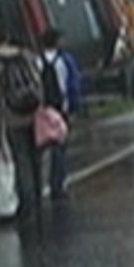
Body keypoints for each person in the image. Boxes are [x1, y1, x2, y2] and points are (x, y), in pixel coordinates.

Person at [0, 28, 47, 217]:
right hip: (33, 112)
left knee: (21, 159)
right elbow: (38, 81)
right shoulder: (26, 56)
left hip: (13, 116)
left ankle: (27, 201)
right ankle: (39, 196)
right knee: (36, 156)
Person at [38, 28, 82, 201]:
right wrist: (74, 107)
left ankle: (38, 186)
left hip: (41, 110)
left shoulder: (36, 60)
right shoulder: (65, 60)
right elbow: (73, 84)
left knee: (40, 148)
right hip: (60, 108)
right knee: (60, 147)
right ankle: (58, 184)